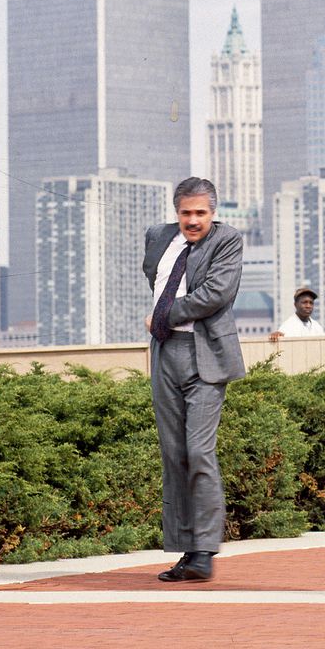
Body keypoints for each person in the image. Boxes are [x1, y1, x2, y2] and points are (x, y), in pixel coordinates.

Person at [142, 176, 245, 582]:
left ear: (213, 213)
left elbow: (217, 294)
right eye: (186, 212)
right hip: (165, 353)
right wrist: (163, 320)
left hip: (206, 357)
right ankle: (186, 550)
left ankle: (204, 551)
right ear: (176, 210)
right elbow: (156, 280)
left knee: (199, 451)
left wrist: (165, 314)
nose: (193, 220)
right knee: (174, 454)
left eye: (201, 213)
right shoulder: (158, 237)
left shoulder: (227, 240)